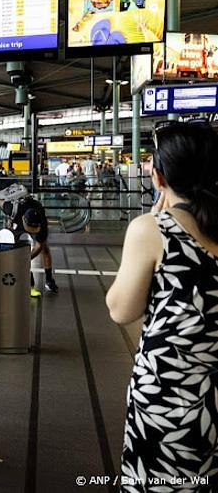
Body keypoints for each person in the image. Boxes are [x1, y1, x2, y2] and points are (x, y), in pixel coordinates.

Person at [105, 121, 218, 488]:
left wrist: (156, 217)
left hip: (167, 395)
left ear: (158, 176)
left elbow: (120, 310)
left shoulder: (154, 228)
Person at [2, 195, 57, 296]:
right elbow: (0, 200)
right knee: (9, 246)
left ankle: (49, 280)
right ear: (23, 219)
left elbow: (39, 246)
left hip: (32, 215)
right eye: (32, 231)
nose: (34, 232)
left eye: (35, 231)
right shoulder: (11, 209)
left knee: (45, 249)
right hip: (16, 223)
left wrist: (26, 259)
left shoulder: (41, 224)